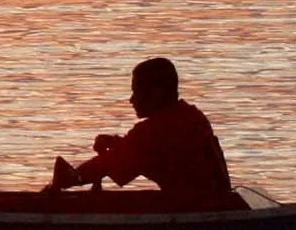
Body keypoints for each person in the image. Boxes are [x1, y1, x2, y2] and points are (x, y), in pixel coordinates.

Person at [44, 57, 238, 206]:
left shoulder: (153, 131)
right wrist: (116, 143)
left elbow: (111, 162)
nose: (131, 100)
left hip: (195, 211)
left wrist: (69, 179)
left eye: (136, 91)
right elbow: (142, 151)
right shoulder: (191, 115)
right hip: (213, 202)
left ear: (156, 93)